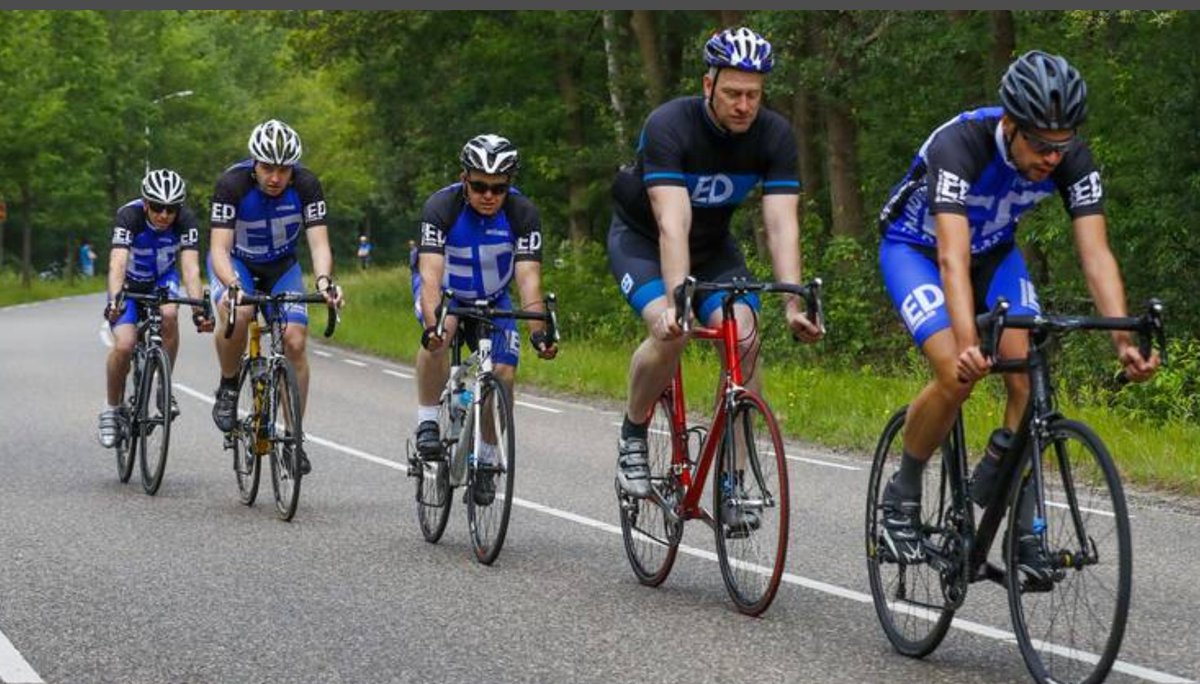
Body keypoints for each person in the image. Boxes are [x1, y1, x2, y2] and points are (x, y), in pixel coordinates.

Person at [876, 50, 1160, 575]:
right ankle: (903, 490)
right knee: (954, 373)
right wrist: (965, 341)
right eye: (1040, 145)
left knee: (1025, 371)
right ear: (1009, 124)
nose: (1053, 157)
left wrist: (1123, 340)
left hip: (996, 253)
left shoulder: (1072, 158)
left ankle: (1023, 523)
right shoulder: (959, 145)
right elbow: (951, 258)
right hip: (917, 251)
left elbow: (1096, 255)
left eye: (1063, 144)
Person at [606, 27, 823, 528]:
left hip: (714, 249)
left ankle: (733, 482)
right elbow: (671, 221)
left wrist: (793, 300)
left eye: (753, 94)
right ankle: (634, 432)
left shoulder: (775, 136)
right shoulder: (669, 125)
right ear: (708, 85)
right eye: (732, 93)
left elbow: (781, 223)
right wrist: (677, 301)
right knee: (669, 330)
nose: (744, 105)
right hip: (644, 242)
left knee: (745, 338)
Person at [412, 134, 557, 505]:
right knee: (440, 335)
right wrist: (431, 324)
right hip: (448, 292)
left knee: (503, 375)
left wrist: (540, 331)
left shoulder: (523, 213)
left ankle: (489, 459)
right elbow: (430, 273)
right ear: (464, 179)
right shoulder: (441, 207)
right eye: (479, 186)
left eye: (498, 188)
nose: (488, 195)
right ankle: (428, 420)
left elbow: (528, 278)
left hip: (494, 296)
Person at [207, 119, 344, 476]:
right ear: (254, 162)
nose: (275, 177)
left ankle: (294, 437)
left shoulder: (307, 185)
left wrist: (326, 280)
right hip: (237, 263)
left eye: (284, 169)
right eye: (268, 168)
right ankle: (227, 384)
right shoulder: (231, 184)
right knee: (240, 310)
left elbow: (318, 243)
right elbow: (219, 249)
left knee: (295, 340)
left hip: (282, 266)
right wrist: (231, 284)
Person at [98, 169, 214, 448]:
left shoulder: (186, 221)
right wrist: (115, 300)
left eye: (171, 209)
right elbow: (117, 263)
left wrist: (199, 310)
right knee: (125, 345)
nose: (164, 214)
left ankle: (163, 386)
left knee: (170, 314)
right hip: (129, 283)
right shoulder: (129, 216)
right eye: (158, 207)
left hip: (162, 280)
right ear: (146, 203)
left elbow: (190, 269)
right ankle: (111, 408)